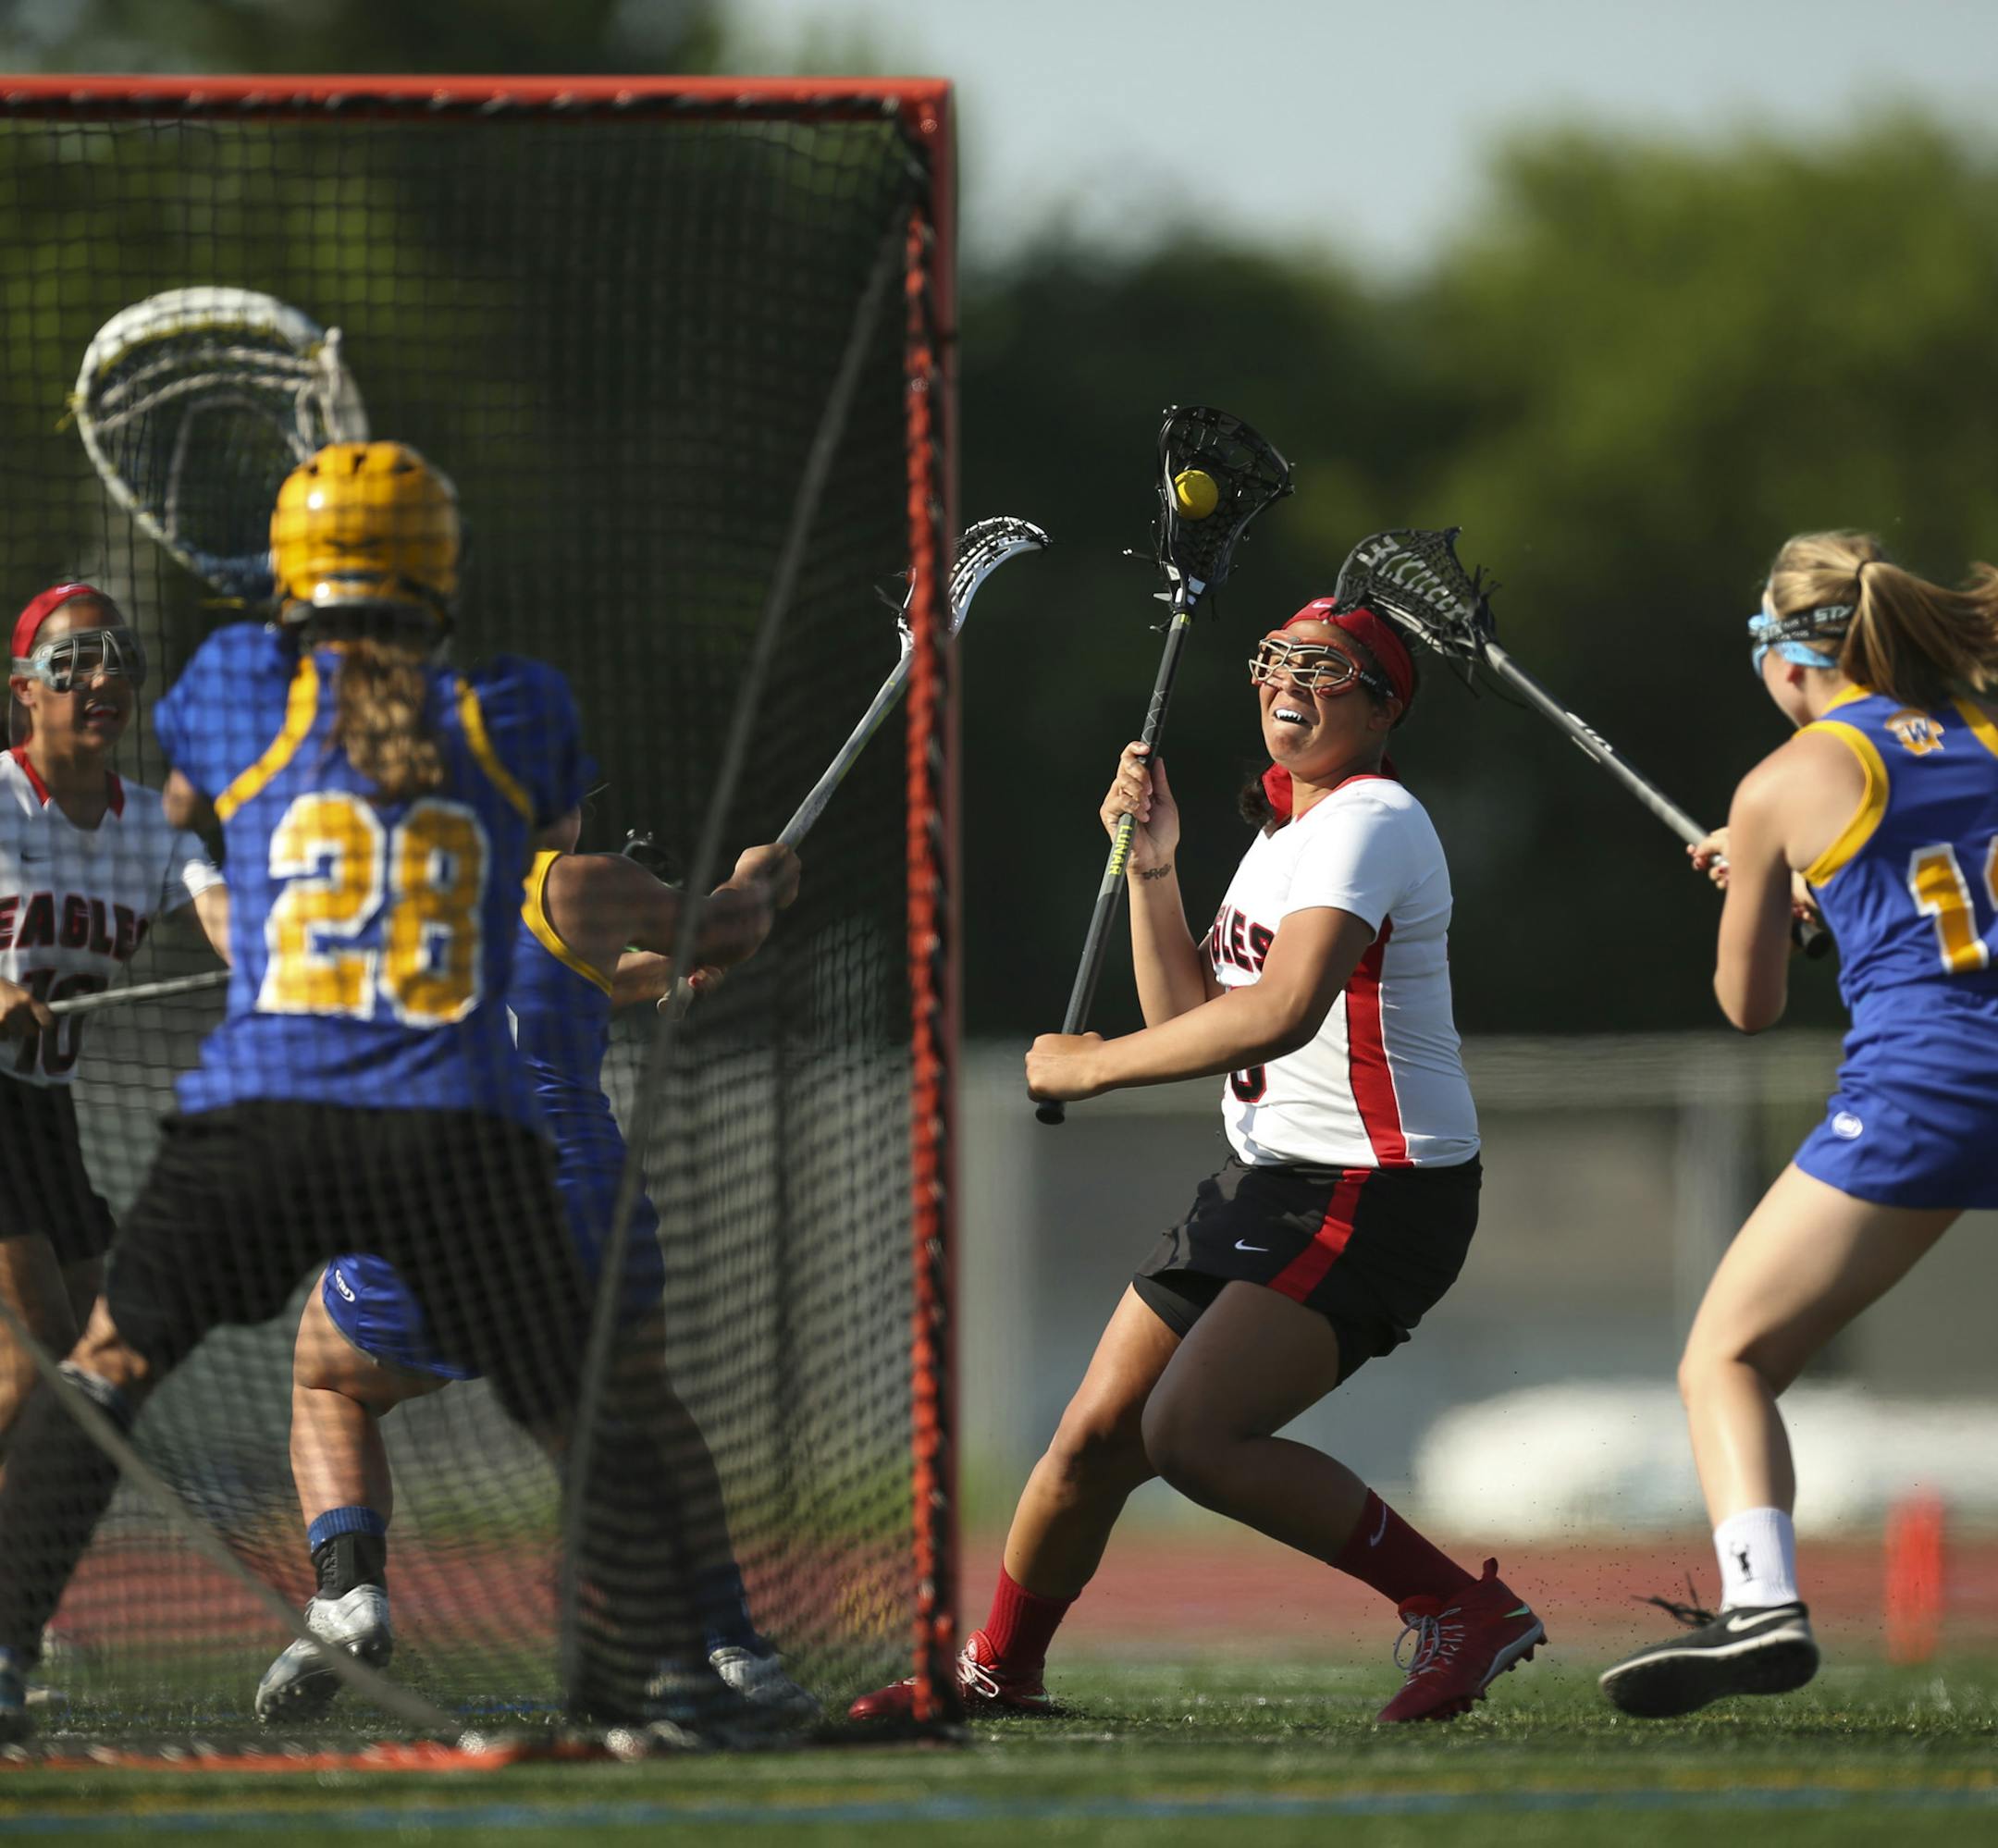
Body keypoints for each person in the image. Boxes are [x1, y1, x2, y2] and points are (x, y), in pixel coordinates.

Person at [0, 440, 745, 1740]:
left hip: (267, 1109)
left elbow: (185, 794)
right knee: (583, 1397)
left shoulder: (237, 681)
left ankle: (7, 1651)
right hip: (452, 1122)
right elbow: (525, 869)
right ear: (438, 572)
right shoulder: (518, 707)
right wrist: (750, 898)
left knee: (105, 1366)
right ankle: (677, 1667)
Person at [851, 598, 1544, 1727]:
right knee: (1089, 1442)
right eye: (1280, 658)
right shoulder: (1282, 838)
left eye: (1330, 667)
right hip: (1269, 1182)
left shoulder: (1375, 819)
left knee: (1190, 1437)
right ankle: (997, 1671)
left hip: (1378, 1189)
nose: (1293, 679)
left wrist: (1092, 1067)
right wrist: (1156, 868)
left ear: (1381, 708)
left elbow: (1277, 1014)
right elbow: (1189, 1014)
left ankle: (1462, 1608)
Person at [254, 815, 807, 1726]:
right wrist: (760, 877)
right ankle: (725, 1643)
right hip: (574, 1207)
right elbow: (729, 927)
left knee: (329, 1377)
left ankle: (347, 1595)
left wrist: (647, 973)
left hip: (420, 1210)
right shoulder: (576, 885)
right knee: (631, 1416)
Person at [1600, 533, 1998, 1719]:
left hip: (1926, 1088)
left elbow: (1747, 1006)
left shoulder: (1779, 784)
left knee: (1728, 1356)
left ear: (1784, 660)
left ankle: (1761, 1604)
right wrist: (1830, 889)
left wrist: (1767, 889)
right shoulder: (1984, 733)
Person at [0, 583, 228, 1471]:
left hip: (48, 1123)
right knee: (41, 1365)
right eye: (72, 662)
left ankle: (25, 1601)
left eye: (119, 659)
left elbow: (229, 923)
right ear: (24, 688)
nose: (103, 677)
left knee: (96, 1364)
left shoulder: (154, 834)